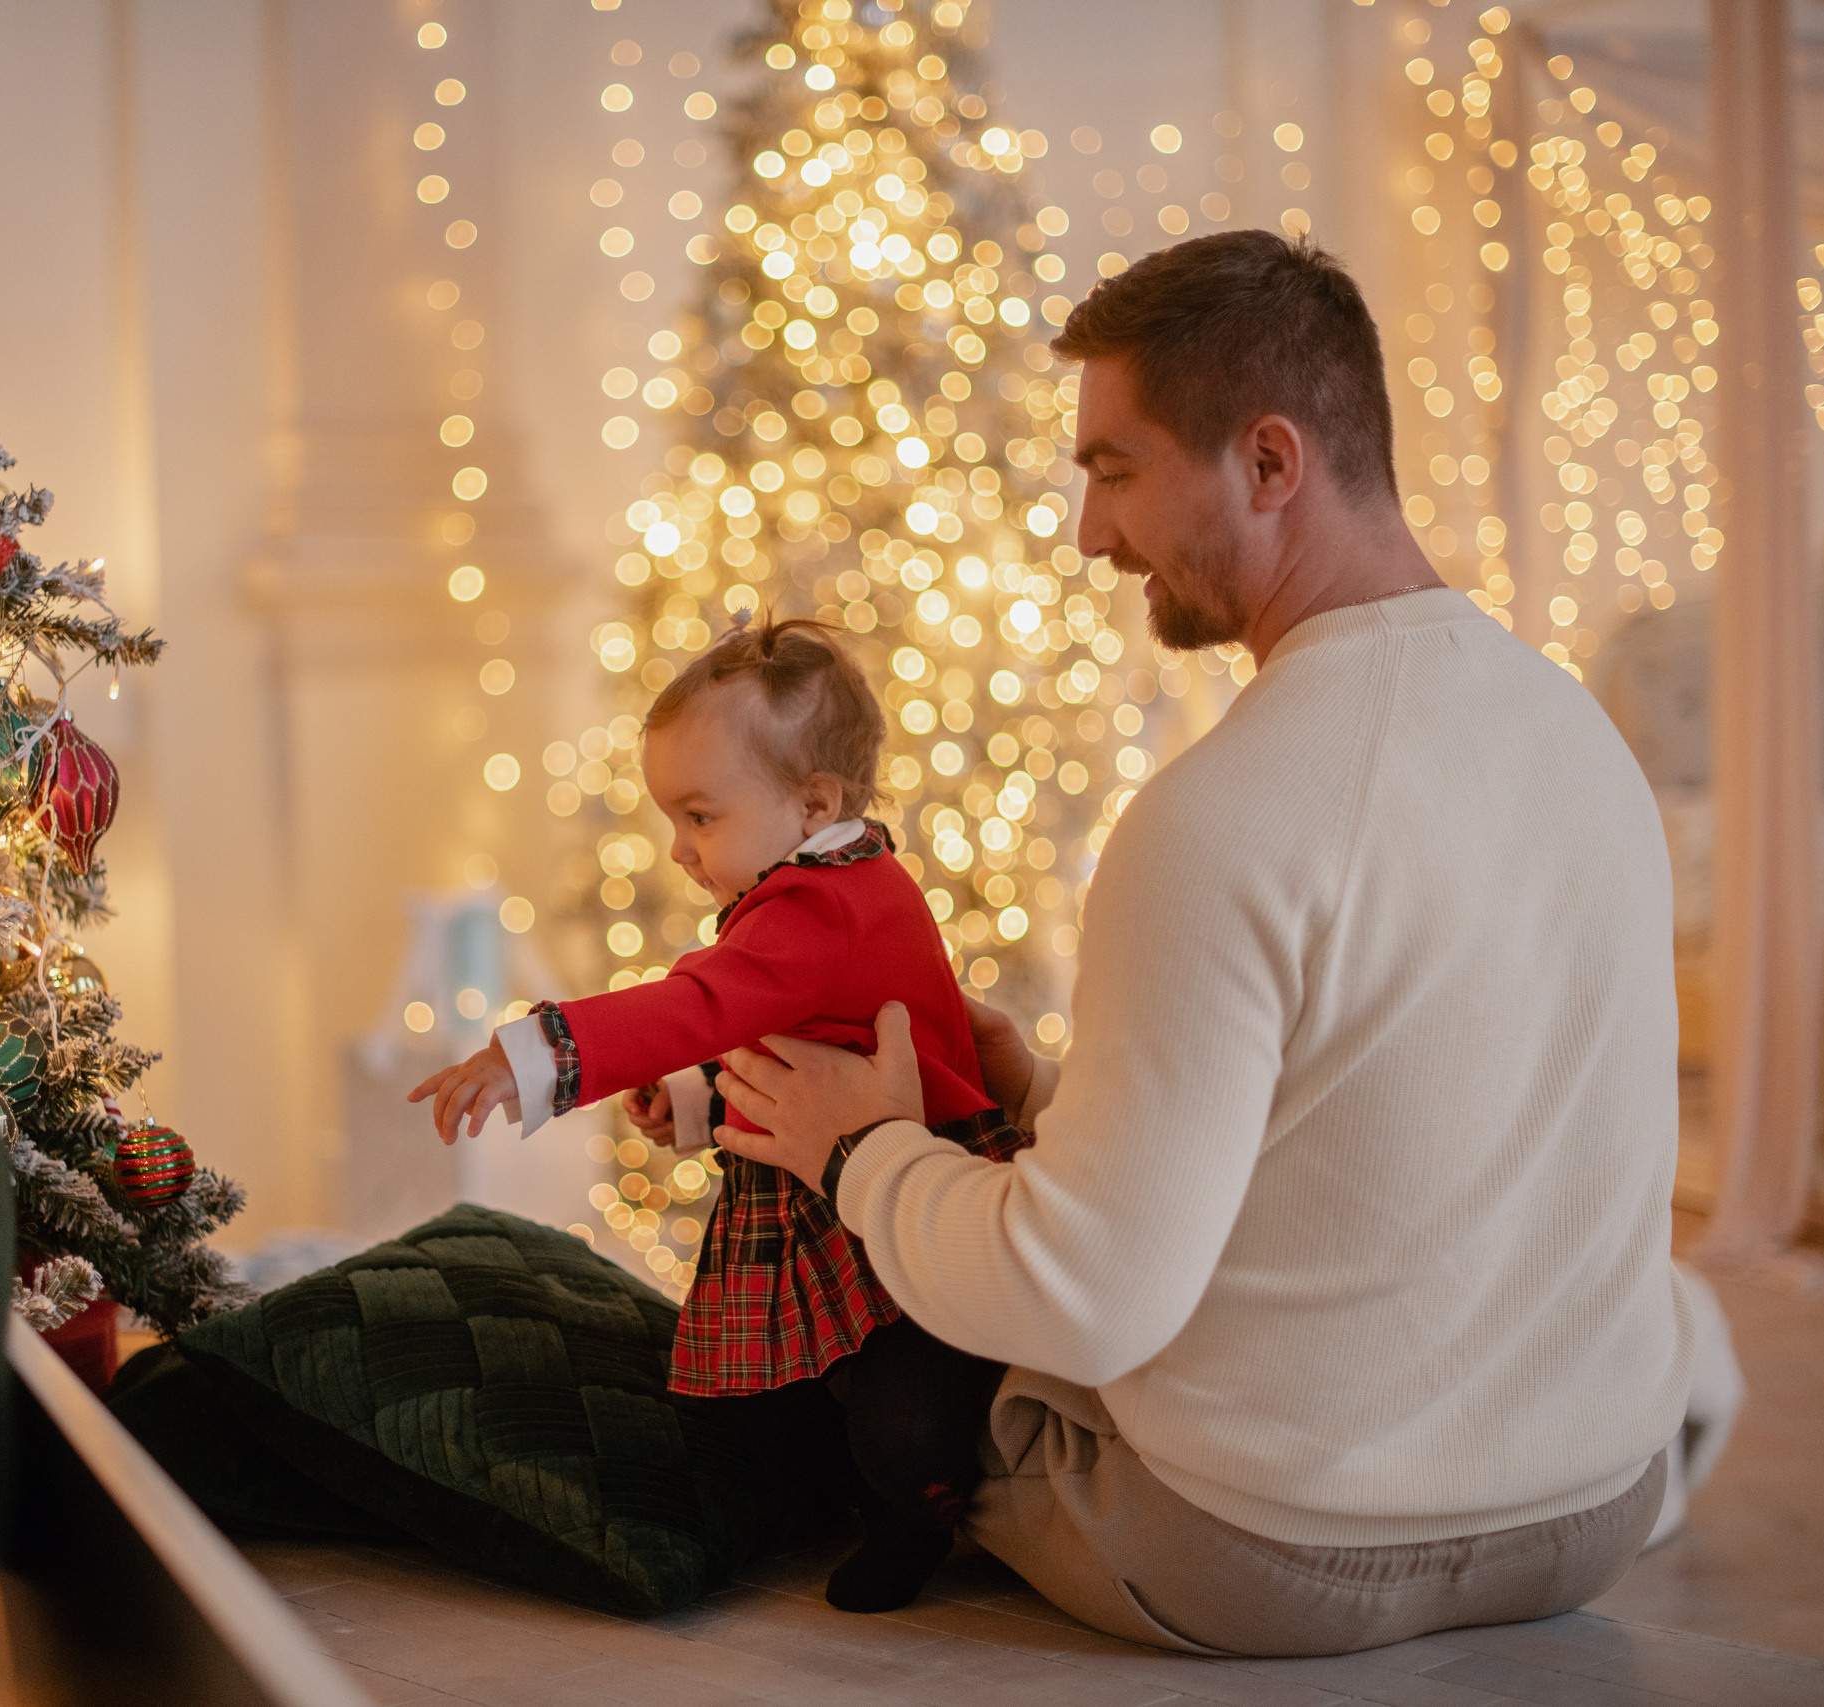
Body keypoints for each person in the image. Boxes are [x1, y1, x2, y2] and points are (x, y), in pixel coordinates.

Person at [709, 230, 1696, 1658]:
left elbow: (1085, 1297)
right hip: (1593, 1501)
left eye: (1113, 469)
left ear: (1270, 462)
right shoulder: (1580, 733)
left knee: (885, 1384)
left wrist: (862, 1153)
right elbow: (1375, 1123)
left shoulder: (1216, 813)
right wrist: (1045, 1097)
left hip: (1271, 1547)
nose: (1089, 533)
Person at [409, 618, 1030, 1612]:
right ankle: (834, 1476)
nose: (680, 849)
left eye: (699, 817)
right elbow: (794, 1036)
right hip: (831, 1185)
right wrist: (695, 1100)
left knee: (904, 1408)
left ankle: (922, 1508)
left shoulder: (826, 903)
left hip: (909, 1193)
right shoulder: (819, 884)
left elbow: (704, 1002)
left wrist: (529, 1056)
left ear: (812, 801)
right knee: (757, 1407)